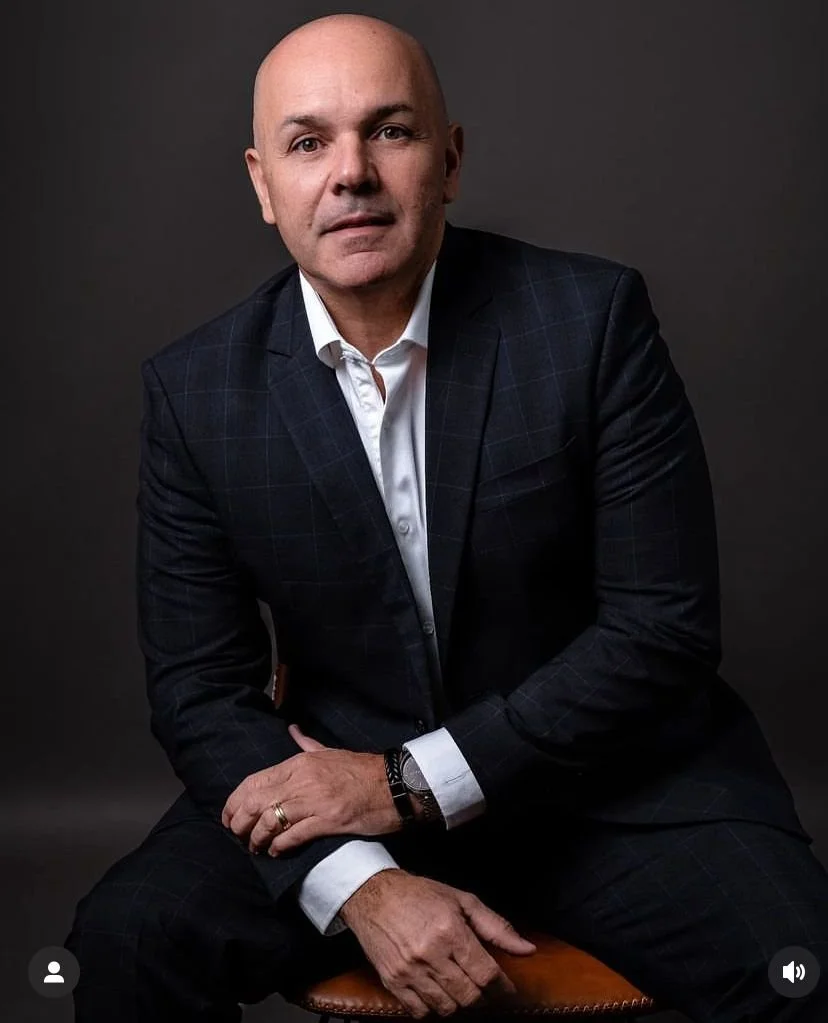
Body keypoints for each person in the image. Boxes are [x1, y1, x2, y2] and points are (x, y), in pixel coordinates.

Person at [64, 12, 828, 1022]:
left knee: (802, 969)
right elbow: (199, 691)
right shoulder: (196, 392)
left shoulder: (590, 322)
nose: (351, 174)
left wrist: (406, 782)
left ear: (451, 159)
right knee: (122, 946)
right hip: (339, 799)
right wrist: (361, 883)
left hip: (613, 788)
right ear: (263, 184)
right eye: (308, 143)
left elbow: (663, 629)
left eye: (390, 131)